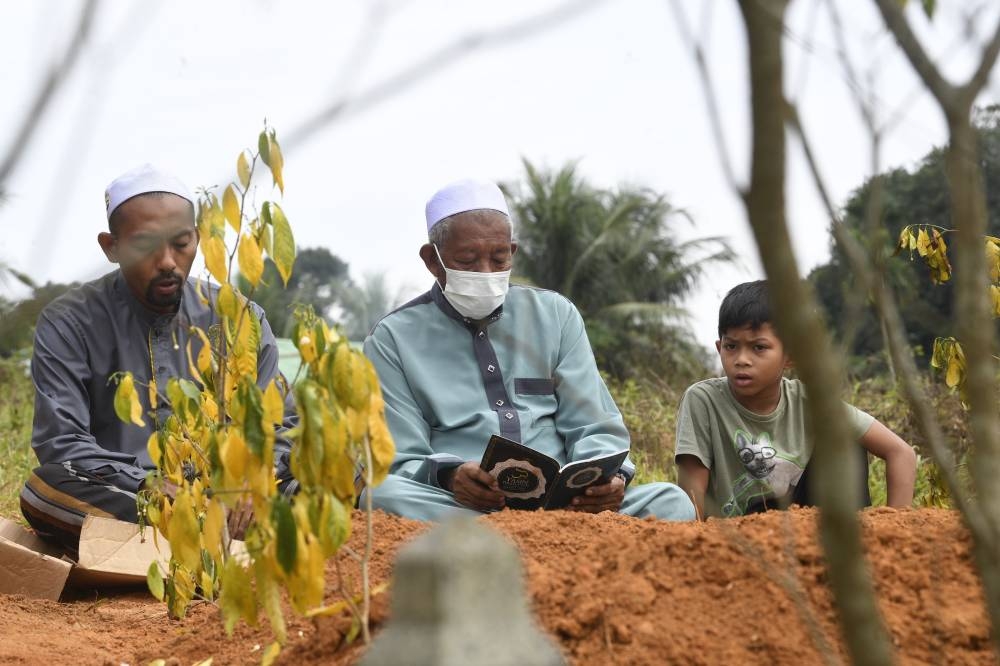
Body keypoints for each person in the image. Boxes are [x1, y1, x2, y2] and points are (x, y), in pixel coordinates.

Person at [362, 178, 695, 521]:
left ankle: (510, 544)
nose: (485, 272)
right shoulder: (392, 340)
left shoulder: (555, 315)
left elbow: (595, 425)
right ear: (433, 260)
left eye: (498, 257)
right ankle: (517, 543)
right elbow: (399, 454)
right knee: (382, 496)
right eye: (468, 259)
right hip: (461, 505)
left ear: (513, 253)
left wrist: (609, 481)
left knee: (671, 501)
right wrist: (449, 475)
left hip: (568, 506)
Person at [20, 164, 296, 556]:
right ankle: (209, 543)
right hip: (132, 499)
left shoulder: (239, 317)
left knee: (338, 466)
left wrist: (255, 476)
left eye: (181, 244)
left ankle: (180, 544)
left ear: (197, 240)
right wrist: (147, 486)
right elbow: (62, 444)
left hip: (233, 497)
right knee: (44, 490)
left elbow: (283, 423)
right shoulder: (70, 321)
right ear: (111, 247)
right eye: (147, 246)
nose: (167, 261)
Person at [674, 280, 917, 519]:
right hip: (737, 534)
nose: (742, 359)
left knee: (845, 439)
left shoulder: (811, 402)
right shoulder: (702, 401)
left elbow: (901, 453)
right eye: (731, 346)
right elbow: (693, 502)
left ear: (789, 357)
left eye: (758, 348)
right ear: (719, 348)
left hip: (804, 524)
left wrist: (894, 527)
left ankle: (849, 538)